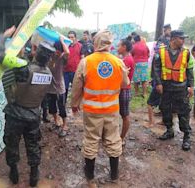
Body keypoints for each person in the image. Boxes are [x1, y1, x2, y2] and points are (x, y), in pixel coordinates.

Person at [0, 26, 55, 187]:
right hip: (34, 115)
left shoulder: (22, 67)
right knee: (33, 144)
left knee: (12, 143)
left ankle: (14, 171)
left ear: (35, 51)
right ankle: (34, 174)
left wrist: (2, 37)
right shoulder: (48, 74)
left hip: (15, 114)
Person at [71, 30, 129, 186]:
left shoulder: (86, 62)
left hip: (92, 111)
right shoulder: (118, 62)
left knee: (91, 141)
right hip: (111, 110)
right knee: (113, 141)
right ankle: (114, 176)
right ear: (109, 43)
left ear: (96, 42)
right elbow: (125, 83)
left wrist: (74, 104)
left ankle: (90, 177)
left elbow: (77, 86)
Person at [153, 30, 195, 151]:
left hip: (181, 88)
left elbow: (190, 70)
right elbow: (156, 68)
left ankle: (186, 136)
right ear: (174, 39)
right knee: (165, 109)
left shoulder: (186, 53)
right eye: (181, 38)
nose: (183, 41)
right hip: (166, 87)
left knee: (184, 111)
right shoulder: (160, 52)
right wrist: (158, 83)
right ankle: (169, 130)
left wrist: (191, 86)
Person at [47, 36, 70, 137]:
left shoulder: (62, 58)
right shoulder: (49, 57)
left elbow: (67, 52)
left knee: (62, 107)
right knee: (52, 107)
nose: (57, 52)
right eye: (56, 50)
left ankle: (65, 125)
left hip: (60, 88)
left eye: (59, 50)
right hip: (50, 87)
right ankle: (56, 121)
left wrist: (61, 41)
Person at [117, 39, 135, 146]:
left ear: (124, 47)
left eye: (119, 45)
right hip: (121, 89)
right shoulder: (124, 59)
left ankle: (122, 138)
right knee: (121, 114)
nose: (117, 47)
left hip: (123, 89)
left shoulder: (127, 60)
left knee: (125, 115)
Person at [64, 31, 82, 103]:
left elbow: (82, 58)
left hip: (75, 71)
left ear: (75, 38)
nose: (70, 38)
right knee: (64, 89)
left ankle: (75, 105)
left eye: (72, 37)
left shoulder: (80, 46)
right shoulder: (65, 46)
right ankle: (63, 105)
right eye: (69, 37)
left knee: (76, 89)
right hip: (65, 71)